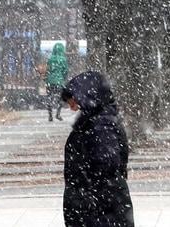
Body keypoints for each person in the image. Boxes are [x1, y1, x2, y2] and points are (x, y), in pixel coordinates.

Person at [61, 71, 134, 227]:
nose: (72, 107)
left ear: (86, 96)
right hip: (97, 210)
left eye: (73, 101)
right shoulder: (94, 121)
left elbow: (106, 168)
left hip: (100, 213)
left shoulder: (101, 125)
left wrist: (84, 198)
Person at [47, 42, 69, 122]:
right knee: (61, 98)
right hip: (59, 81)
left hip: (50, 81)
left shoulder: (50, 59)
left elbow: (48, 70)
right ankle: (58, 114)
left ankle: (50, 115)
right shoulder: (63, 60)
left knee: (50, 97)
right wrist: (63, 78)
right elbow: (65, 71)